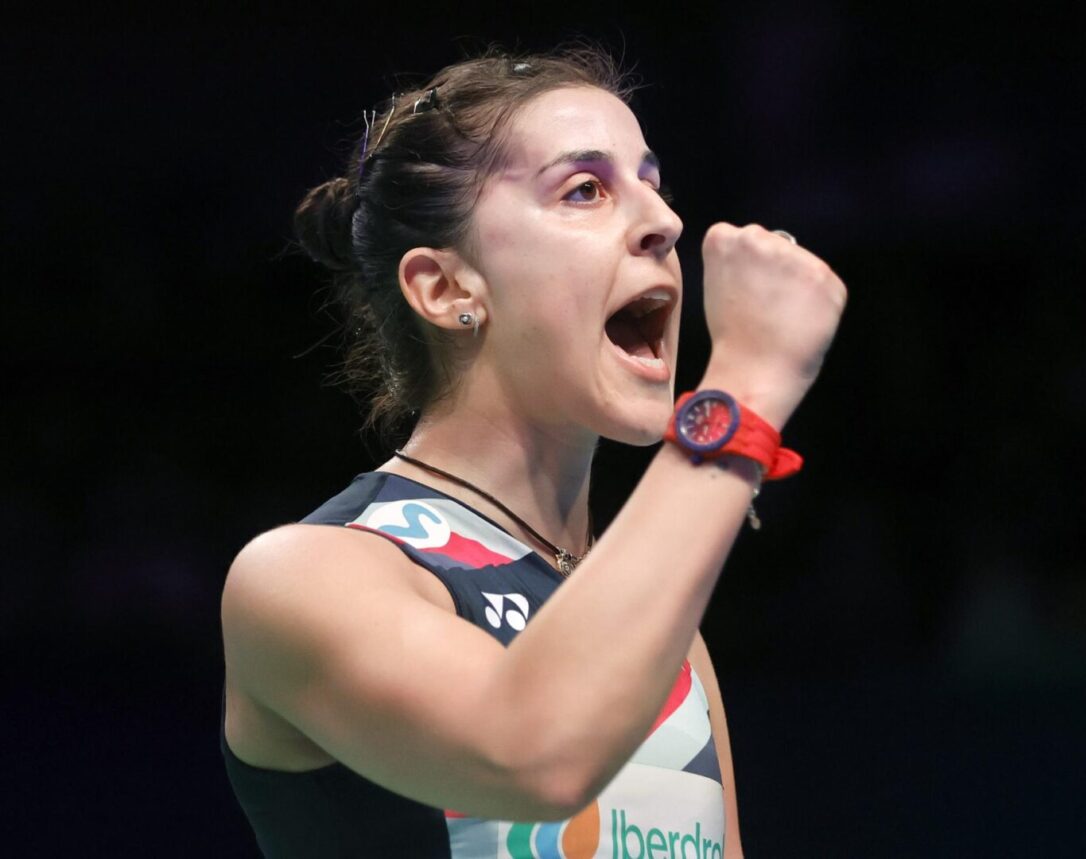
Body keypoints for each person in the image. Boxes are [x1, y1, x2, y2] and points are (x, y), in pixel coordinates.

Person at [220, 45, 846, 858]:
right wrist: (747, 385)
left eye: (652, 184)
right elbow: (535, 752)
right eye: (585, 190)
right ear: (445, 289)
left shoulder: (664, 638)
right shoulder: (306, 578)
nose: (665, 221)